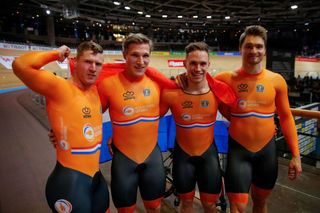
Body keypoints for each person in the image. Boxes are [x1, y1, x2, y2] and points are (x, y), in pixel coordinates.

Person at [12, 41, 110, 213]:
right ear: (75, 62)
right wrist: (55, 54)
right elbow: (20, 65)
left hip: (96, 179)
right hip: (70, 183)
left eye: (98, 64)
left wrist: (60, 132)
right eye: (88, 62)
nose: (93, 68)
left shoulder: (95, 91)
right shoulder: (59, 87)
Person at [214, 25, 302, 213]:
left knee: (260, 202)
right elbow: (198, 87)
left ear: (264, 49)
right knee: (237, 205)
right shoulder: (225, 79)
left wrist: (296, 155)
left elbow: (286, 117)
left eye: (259, 46)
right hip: (239, 150)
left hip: (266, 152)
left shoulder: (276, 81)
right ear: (241, 49)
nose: (254, 50)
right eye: (249, 46)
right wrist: (183, 78)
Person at [97, 33, 165, 213]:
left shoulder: (158, 83)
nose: (141, 61)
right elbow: (88, 117)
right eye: (135, 55)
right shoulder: (108, 85)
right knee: (126, 210)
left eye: (145, 55)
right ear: (125, 55)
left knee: (155, 207)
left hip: (152, 158)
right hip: (124, 160)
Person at [160, 42, 223, 213]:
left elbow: (237, 116)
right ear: (185, 64)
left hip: (208, 156)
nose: (198, 68)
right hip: (183, 157)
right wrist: (116, 135)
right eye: (193, 63)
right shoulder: (171, 92)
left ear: (208, 65)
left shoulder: (217, 91)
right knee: (186, 203)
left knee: (210, 204)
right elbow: (150, 118)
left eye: (203, 64)